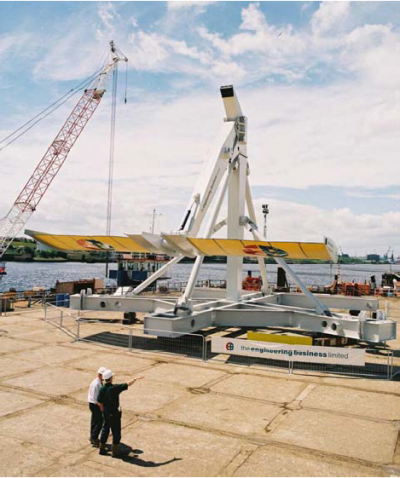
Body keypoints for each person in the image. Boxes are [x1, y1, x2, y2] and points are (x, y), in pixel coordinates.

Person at [98, 369, 143, 457]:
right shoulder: (114, 388)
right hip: (114, 414)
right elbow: (127, 384)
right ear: (110, 378)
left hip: (106, 413)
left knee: (105, 429)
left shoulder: (102, 388)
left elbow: (100, 402)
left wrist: (103, 411)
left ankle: (101, 449)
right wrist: (135, 379)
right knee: (116, 432)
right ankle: (114, 452)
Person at [88, 366, 107, 447]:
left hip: (93, 404)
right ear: (100, 375)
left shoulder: (97, 382)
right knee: (99, 422)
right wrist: (101, 407)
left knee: (94, 421)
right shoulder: (96, 384)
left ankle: (92, 436)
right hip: (95, 405)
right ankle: (94, 438)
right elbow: (96, 399)